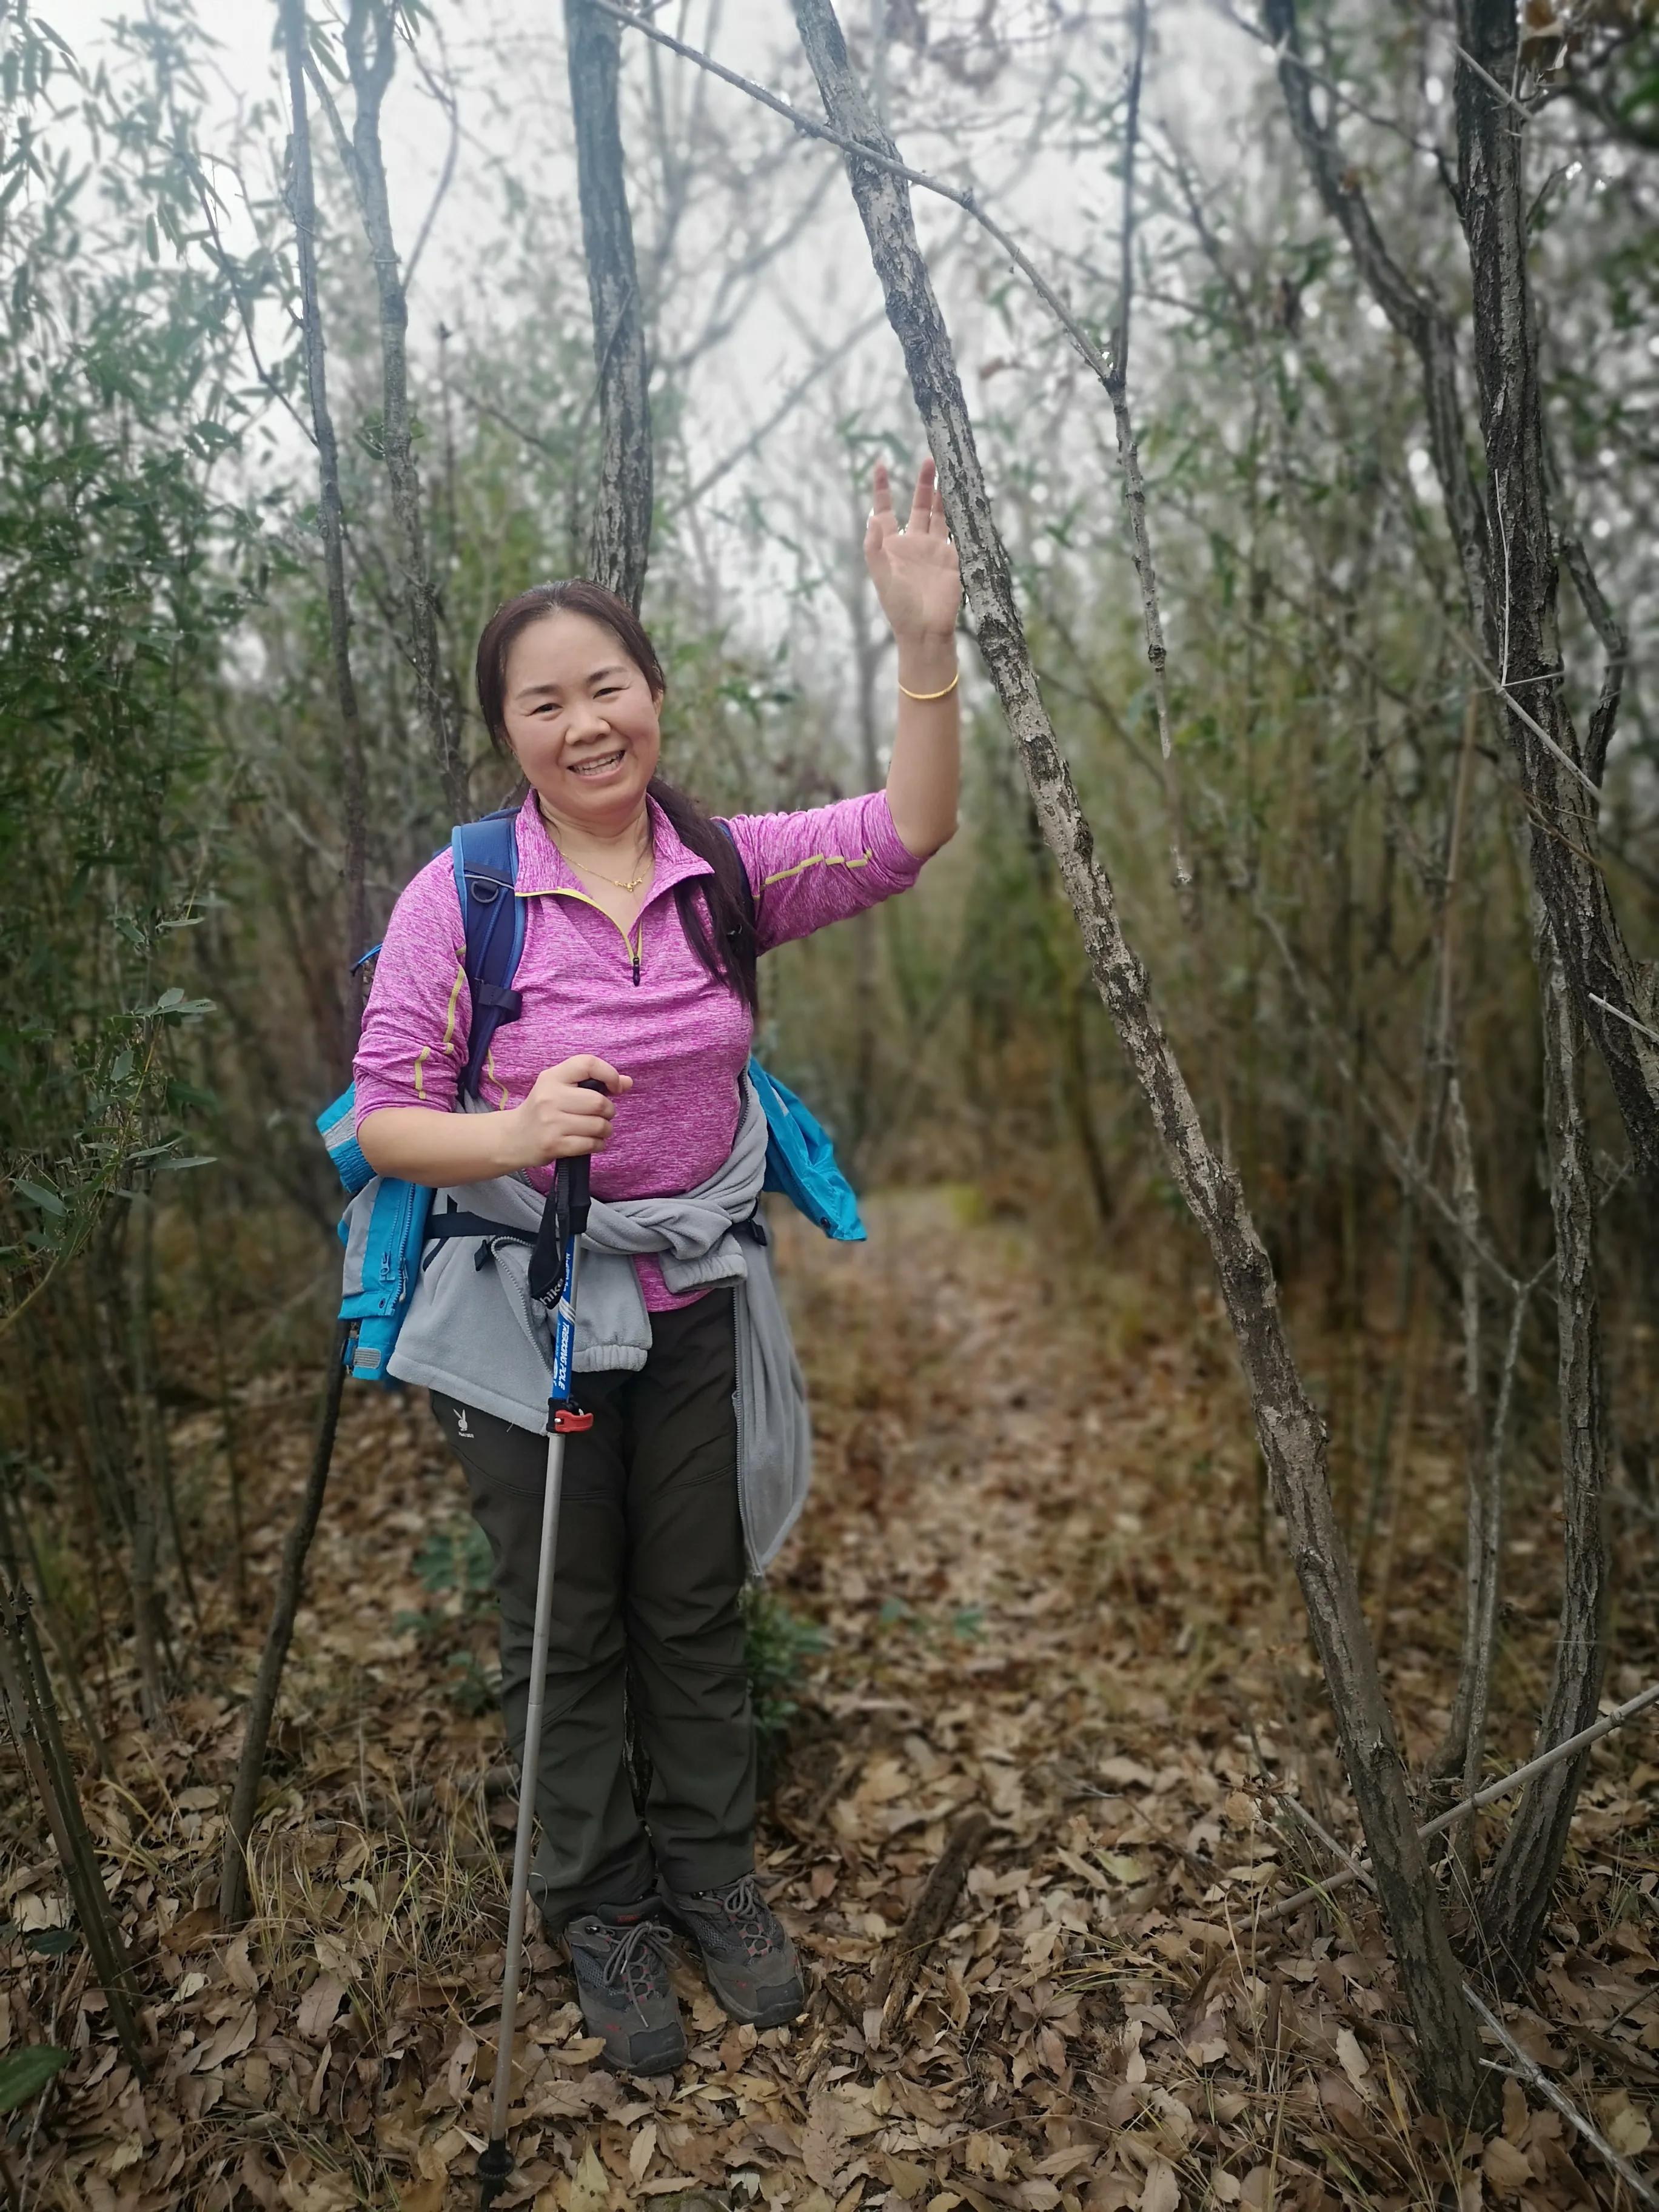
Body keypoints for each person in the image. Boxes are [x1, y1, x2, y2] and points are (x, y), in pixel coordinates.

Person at [351, 458, 962, 2073]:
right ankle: (599, 1907)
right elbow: (386, 1117)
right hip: (525, 1312)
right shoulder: (466, 895)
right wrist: (512, 1130)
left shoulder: (727, 870)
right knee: (565, 1618)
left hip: (695, 1298)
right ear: (509, 733)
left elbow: (911, 829)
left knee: (692, 1600)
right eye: (545, 703)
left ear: (655, 693)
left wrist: (924, 644)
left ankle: (709, 1875)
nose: (586, 724)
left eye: (607, 686)